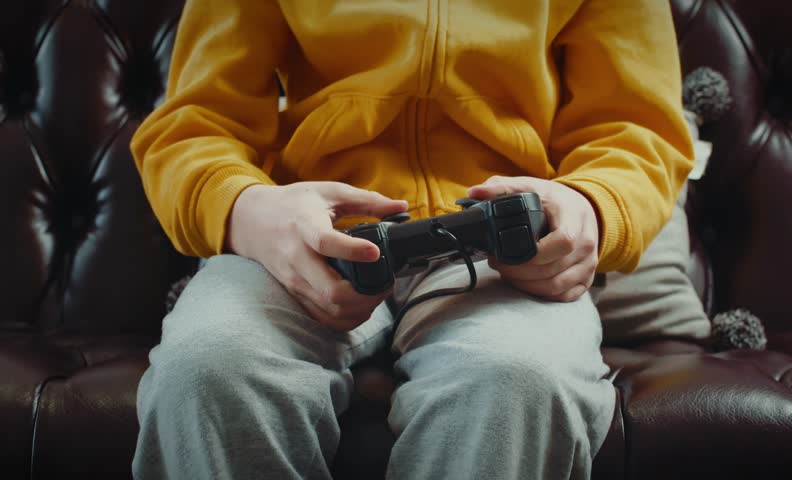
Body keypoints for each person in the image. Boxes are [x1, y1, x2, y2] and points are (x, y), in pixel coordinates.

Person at [130, 0, 693, 478]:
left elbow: (636, 130)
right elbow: (199, 123)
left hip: (499, 251)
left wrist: (591, 205)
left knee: (518, 380)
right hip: (306, 241)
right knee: (209, 368)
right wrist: (248, 211)